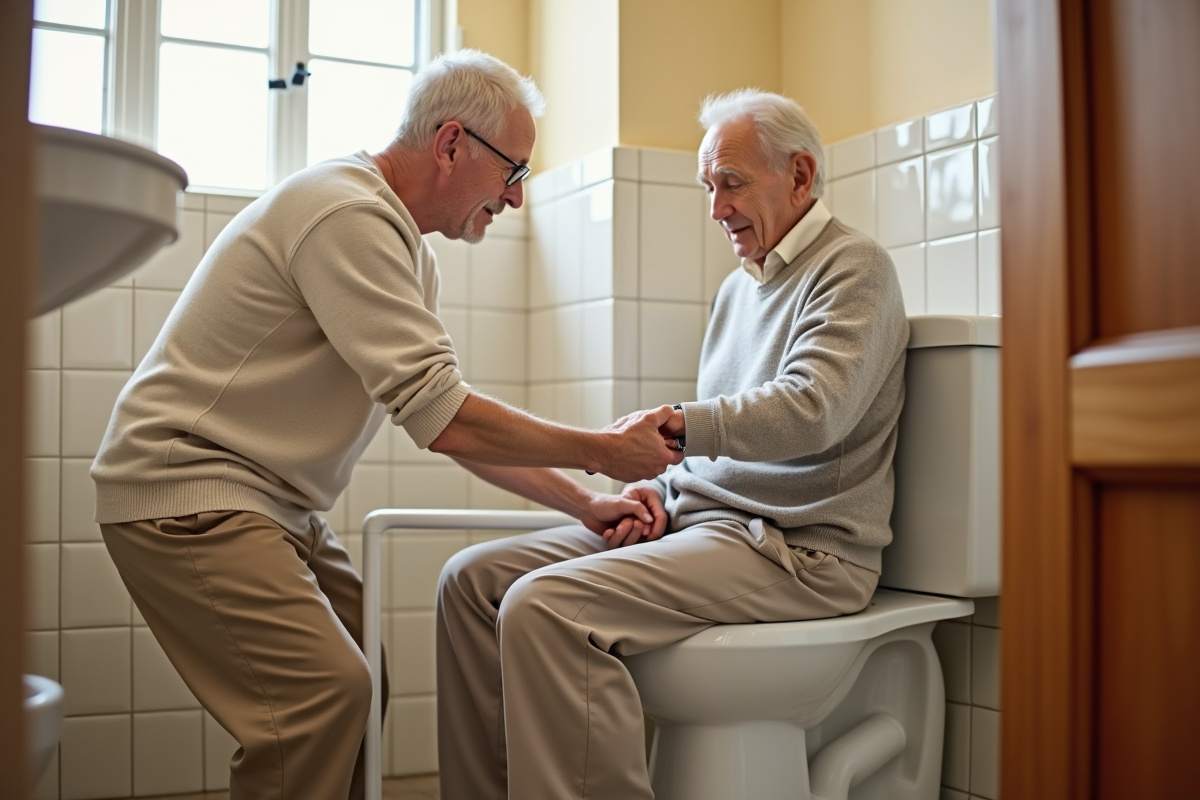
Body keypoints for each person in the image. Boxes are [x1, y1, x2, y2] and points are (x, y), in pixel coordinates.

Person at [91, 50, 680, 800]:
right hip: (187, 493)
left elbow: (443, 414)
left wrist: (585, 504)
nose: (517, 199)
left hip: (268, 505)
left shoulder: (400, 245)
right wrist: (602, 452)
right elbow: (449, 420)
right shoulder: (347, 212)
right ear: (451, 143)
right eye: (515, 172)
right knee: (323, 699)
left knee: (362, 684)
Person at [435, 88, 910, 800]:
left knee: (545, 607)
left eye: (731, 183)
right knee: (470, 584)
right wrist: (654, 494)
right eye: (708, 188)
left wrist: (678, 426)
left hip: (797, 550)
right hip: (706, 528)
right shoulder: (737, 292)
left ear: (802, 176)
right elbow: (727, 447)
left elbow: (815, 411)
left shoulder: (854, 270)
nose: (716, 209)